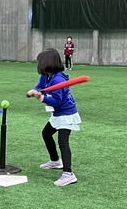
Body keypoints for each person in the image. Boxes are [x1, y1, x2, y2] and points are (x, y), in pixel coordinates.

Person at [27, 48, 81, 187]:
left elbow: (57, 100)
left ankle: (68, 174)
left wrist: (42, 97)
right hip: (58, 113)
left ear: (47, 63)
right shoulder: (46, 75)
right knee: (46, 134)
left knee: (63, 142)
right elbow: (40, 86)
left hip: (67, 113)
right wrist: (35, 90)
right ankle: (55, 161)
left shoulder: (58, 79)